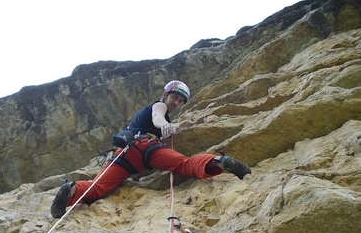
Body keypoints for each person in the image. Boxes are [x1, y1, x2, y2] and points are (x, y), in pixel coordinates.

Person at [51, 80, 251, 218]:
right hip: (147, 148)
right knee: (185, 164)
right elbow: (158, 116)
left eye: (181, 101)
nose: (177, 103)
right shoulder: (158, 106)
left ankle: (71, 190)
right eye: (175, 98)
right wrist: (165, 125)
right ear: (165, 94)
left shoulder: (147, 114)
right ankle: (219, 162)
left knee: (98, 187)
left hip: (125, 154)